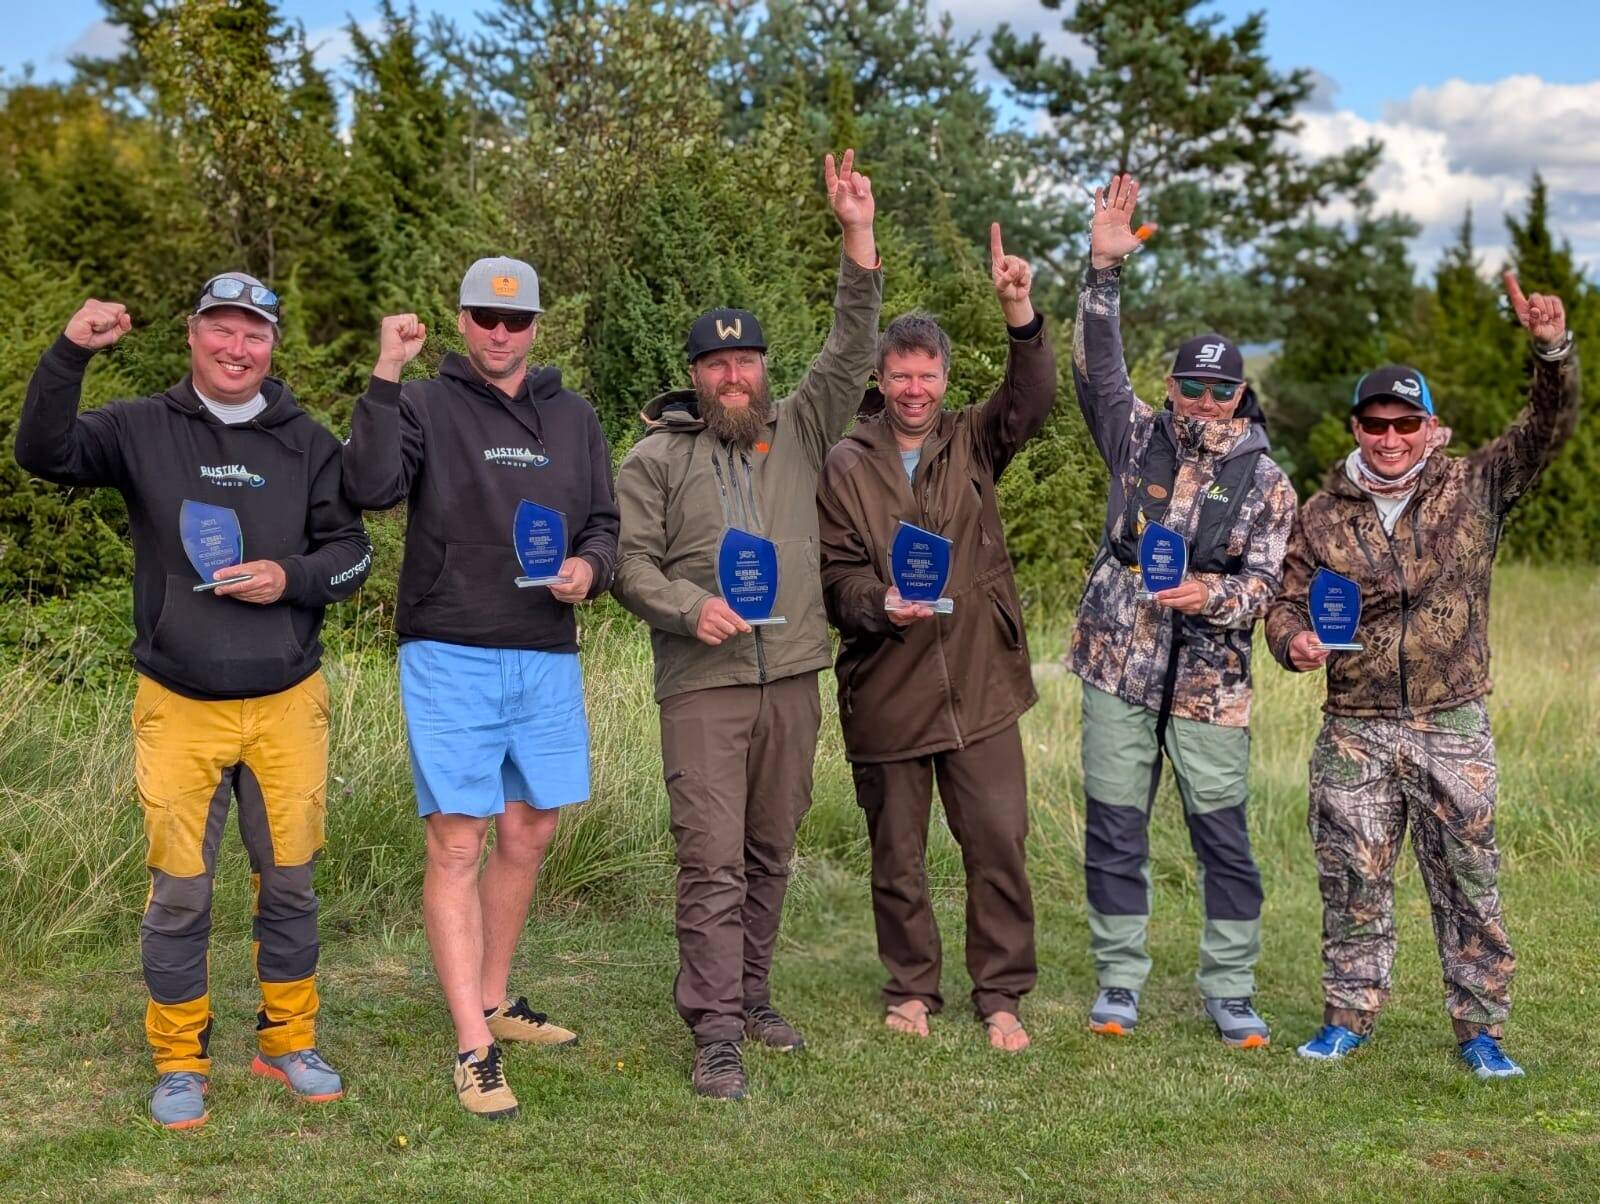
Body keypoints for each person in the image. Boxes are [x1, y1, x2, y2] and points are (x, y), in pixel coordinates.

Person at [15, 274, 372, 1129]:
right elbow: (43, 452)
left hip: (288, 700)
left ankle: (288, 1042)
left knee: (291, 884)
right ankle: (180, 1058)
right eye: (222, 328)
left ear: (272, 346)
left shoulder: (308, 443)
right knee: (180, 891)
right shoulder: (141, 427)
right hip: (177, 701)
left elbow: (353, 554)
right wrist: (69, 354)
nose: (236, 348)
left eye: (254, 333)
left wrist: (291, 577)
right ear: (192, 334)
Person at [611, 150, 882, 1100]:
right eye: (718, 363)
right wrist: (694, 608)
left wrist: (857, 235)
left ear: (764, 370)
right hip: (704, 685)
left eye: (747, 361)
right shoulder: (653, 459)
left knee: (771, 850)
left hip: (792, 676)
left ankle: (753, 996)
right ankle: (715, 1031)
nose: (734, 375)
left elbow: (851, 348)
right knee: (711, 859)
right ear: (695, 374)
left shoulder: (799, 429)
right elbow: (628, 565)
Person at [1266, 272, 1580, 1078]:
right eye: (1376, 424)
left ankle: (1481, 1031)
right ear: (1357, 428)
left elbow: (1547, 428)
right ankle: (1347, 1018)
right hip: (1355, 727)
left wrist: (1552, 352)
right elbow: (1284, 603)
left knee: (1470, 882)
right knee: (1353, 879)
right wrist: (1294, 643)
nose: (1391, 438)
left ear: (1431, 427)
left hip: (1452, 722)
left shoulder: (1476, 485)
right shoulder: (1322, 513)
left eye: (1407, 423)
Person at [342, 257, 619, 1119]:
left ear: (536, 325)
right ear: (461, 320)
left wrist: (590, 569)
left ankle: (495, 998)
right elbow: (371, 488)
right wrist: (386, 372)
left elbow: (604, 525)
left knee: (530, 830)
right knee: (458, 843)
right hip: (449, 649)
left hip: (544, 649)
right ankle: (473, 1044)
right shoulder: (423, 403)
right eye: (484, 317)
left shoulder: (574, 417)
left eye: (516, 319)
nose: (501, 333)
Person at [1067, 176, 1297, 1047]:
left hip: (1211, 680)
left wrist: (1214, 595)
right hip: (1115, 660)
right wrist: (1103, 270)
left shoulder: (1269, 481)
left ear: (1240, 395)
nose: (1203, 401)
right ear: (1170, 385)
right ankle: (1118, 980)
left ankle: (1231, 990)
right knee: (1114, 827)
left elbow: (1268, 586)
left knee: (1222, 837)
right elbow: (1098, 364)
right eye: (1191, 386)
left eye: (1219, 390)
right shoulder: (1134, 433)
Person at [816, 224, 1054, 1052]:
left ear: (947, 379)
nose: (914, 390)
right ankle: (912, 987)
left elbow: (1032, 399)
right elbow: (834, 575)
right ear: (880, 380)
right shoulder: (845, 462)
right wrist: (877, 603)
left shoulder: (974, 439)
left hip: (982, 684)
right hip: (886, 686)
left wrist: (1018, 310)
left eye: (928, 375)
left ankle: (1002, 994)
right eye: (900, 375)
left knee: (999, 842)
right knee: (898, 857)